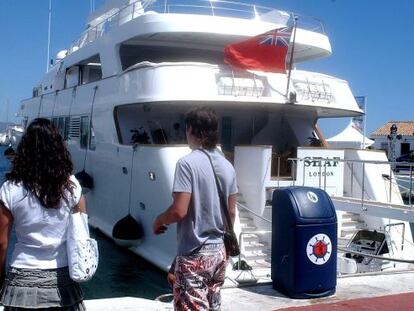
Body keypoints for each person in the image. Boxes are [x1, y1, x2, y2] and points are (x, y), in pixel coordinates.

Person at [153, 107, 237, 311]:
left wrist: (159, 220)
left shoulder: (186, 164)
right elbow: (231, 212)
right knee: (212, 305)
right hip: (219, 252)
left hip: (194, 254)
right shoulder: (227, 165)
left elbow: (179, 211)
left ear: (190, 129)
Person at [0, 118, 86, 310]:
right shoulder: (71, 186)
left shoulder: (10, 188)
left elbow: (1, 243)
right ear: (59, 149)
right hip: (63, 282)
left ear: (24, 149)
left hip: (22, 281)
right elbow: (81, 234)